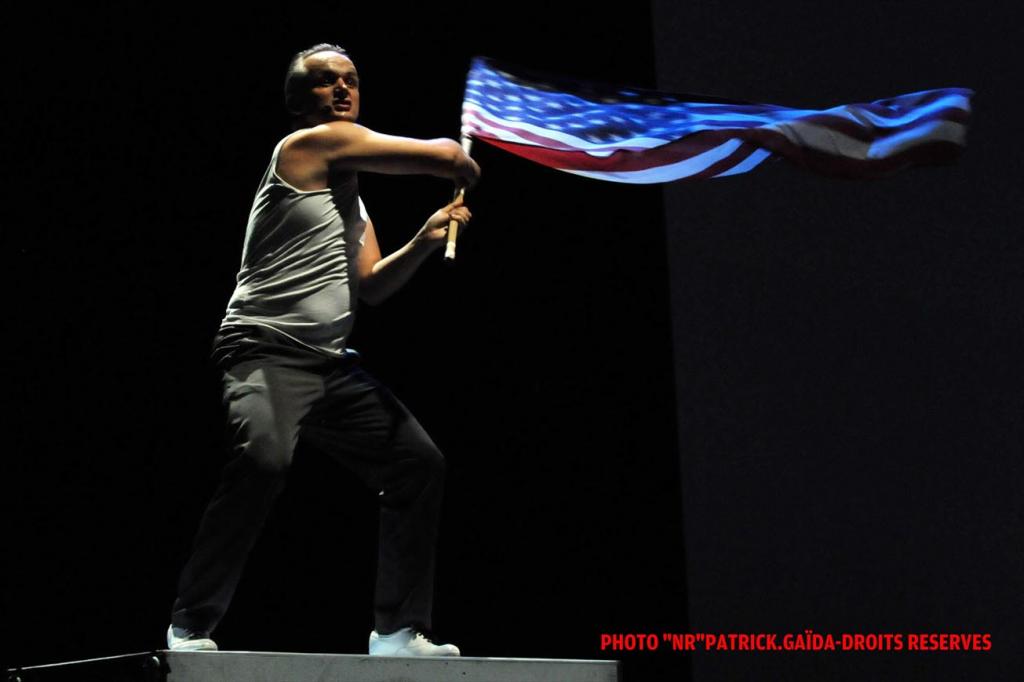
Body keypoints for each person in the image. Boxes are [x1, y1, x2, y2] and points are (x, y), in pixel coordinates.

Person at [165, 43, 480, 657]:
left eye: (351, 80)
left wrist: (423, 240)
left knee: (417, 463)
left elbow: (372, 286)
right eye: (325, 81)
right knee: (264, 462)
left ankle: (396, 631)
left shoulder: (352, 202)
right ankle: (189, 623)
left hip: (328, 363)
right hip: (265, 346)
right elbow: (445, 156)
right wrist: (457, 160)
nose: (342, 89)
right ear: (297, 101)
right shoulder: (305, 147)